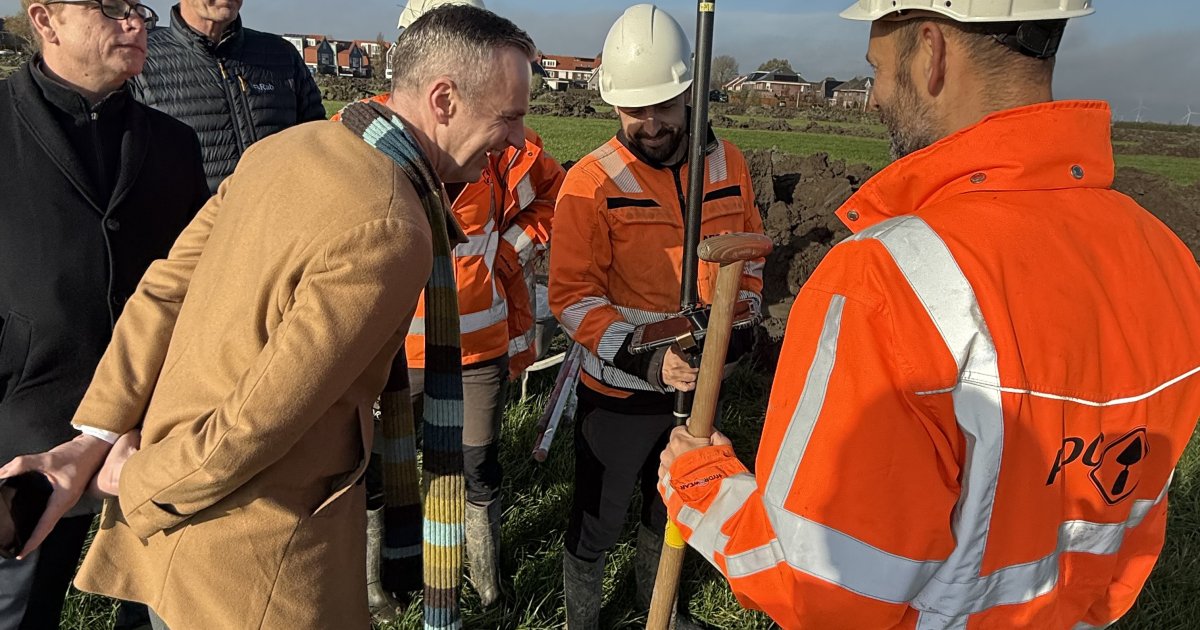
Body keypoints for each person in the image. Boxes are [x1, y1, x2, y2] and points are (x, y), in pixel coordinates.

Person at [657, 1, 1200, 628]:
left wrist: (703, 487)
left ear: (931, 52)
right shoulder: (1168, 261)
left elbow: (821, 586)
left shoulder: (888, 281)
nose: (873, 98)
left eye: (877, 69)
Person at [0, 5, 536, 629]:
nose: (519, 139)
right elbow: (257, 423)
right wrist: (127, 478)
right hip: (254, 566)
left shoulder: (286, 149)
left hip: (177, 538)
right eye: (509, 116)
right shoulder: (393, 226)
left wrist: (91, 439)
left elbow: (163, 292)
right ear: (443, 100)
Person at [335, 0, 564, 617]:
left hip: (475, 349)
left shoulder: (504, 145)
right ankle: (376, 587)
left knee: (476, 471)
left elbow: (551, 195)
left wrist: (508, 255)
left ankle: (487, 590)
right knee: (376, 473)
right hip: (389, 354)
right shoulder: (356, 145)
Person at [548, 4, 765, 627]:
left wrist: (738, 330)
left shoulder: (728, 165)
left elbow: (749, 261)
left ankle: (657, 611)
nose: (649, 123)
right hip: (620, 393)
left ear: (688, 90)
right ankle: (582, 620)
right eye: (633, 109)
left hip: (700, 386)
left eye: (663, 106)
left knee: (669, 506)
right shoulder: (591, 182)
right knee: (597, 517)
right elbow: (572, 297)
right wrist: (643, 355)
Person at [0, 1, 208, 628]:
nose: (135, 23)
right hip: (26, 424)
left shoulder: (174, 142)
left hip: (151, 431)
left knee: (154, 608)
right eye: (110, 8)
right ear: (46, 20)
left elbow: (197, 282)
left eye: (138, 9)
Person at [131, 0, 324, 193]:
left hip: (280, 208)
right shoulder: (139, 62)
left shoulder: (282, 55)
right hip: (195, 212)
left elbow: (319, 147)